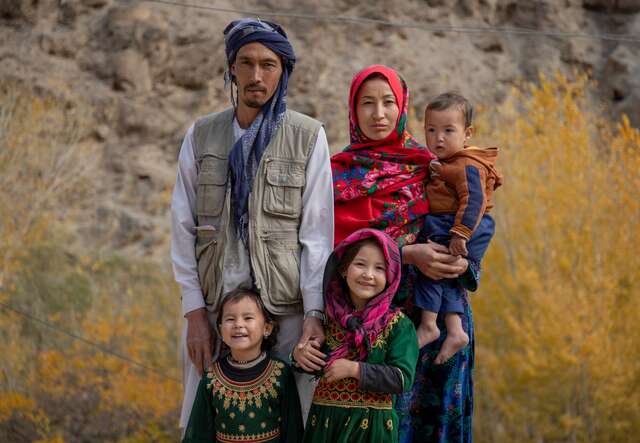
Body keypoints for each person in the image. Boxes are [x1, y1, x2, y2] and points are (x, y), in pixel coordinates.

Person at [170, 18, 333, 430]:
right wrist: (194, 314)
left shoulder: (308, 136)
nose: (256, 76)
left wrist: (314, 313)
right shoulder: (201, 135)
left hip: (286, 305)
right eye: (246, 62)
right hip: (215, 307)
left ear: (284, 70)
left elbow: (317, 234)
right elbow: (183, 225)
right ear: (231, 68)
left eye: (269, 64)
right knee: (202, 417)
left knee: (291, 416)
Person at [330, 65, 477, 442]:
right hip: (374, 319)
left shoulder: (431, 164)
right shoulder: (336, 173)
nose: (379, 114)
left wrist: (466, 259)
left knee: (437, 418)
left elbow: (468, 214)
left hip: (441, 312)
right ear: (352, 109)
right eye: (367, 103)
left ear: (402, 107)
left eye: (388, 102)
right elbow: (332, 251)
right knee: (383, 421)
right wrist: (407, 254)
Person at [293, 228, 418, 443]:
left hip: (371, 429)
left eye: (380, 268)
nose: (368, 274)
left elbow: (402, 378)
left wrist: (355, 369)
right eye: (360, 264)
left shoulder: (399, 325)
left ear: (391, 277)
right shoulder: (327, 319)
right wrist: (298, 355)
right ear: (343, 269)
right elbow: (315, 362)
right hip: (325, 426)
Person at [415, 92, 502, 364]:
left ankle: (429, 324)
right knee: (449, 274)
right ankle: (455, 329)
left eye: (448, 130)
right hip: (454, 222)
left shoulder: (467, 165)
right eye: (431, 130)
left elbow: (474, 199)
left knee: (433, 264)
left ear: (467, 133)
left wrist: (460, 233)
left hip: (458, 224)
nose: (438, 138)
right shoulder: (449, 163)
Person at [182, 289, 303, 443]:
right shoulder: (212, 377)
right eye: (230, 319)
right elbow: (198, 433)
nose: (238, 324)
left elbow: (293, 430)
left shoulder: (280, 373)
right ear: (220, 330)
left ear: (267, 328)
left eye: (248, 318)